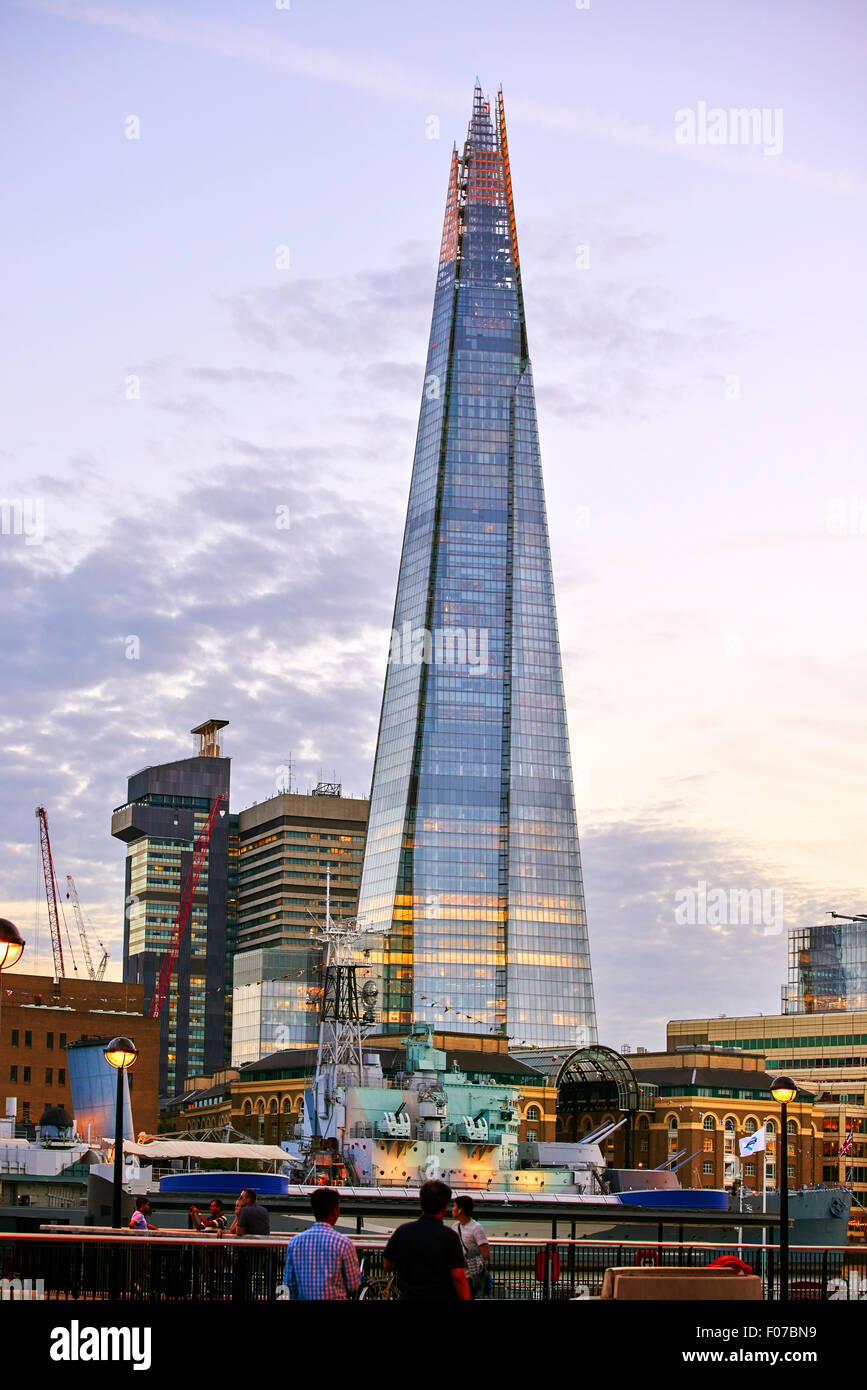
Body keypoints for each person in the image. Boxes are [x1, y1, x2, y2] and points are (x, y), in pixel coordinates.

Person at [383, 1180, 470, 1301]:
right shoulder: (449, 1237)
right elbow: (458, 1277)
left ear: (421, 1204)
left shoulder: (403, 1231)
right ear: (444, 1208)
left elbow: (388, 1265)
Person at [282, 1188, 361, 1300]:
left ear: (313, 1211)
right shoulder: (344, 1244)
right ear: (335, 1212)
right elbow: (353, 1284)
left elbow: (289, 1283)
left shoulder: (295, 1243)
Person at [452, 1195, 490, 1299]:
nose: (452, 1209)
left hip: (470, 1277)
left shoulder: (476, 1228)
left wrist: (465, 1261)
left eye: (454, 1206)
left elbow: (485, 1253)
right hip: (457, 1275)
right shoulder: (455, 1226)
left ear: (460, 1210)